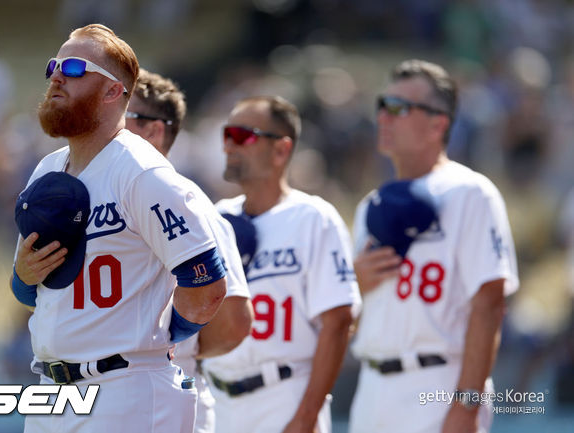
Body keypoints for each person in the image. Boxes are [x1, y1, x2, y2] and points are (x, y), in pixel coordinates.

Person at [10, 24, 227, 433]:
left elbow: (207, 287)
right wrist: (21, 277)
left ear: (114, 92)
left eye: (74, 68)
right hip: (50, 392)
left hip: (126, 389)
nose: (56, 75)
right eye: (53, 65)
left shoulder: (143, 175)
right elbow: (28, 291)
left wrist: (157, 340)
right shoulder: (47, 170)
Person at [348, 59, 519, 433]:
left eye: (398, 108)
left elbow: (489, 303)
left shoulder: (470, 192)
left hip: (438, 384)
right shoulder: (369, 206)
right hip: (372, 387)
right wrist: (353, 284)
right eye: (382, 106)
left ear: (438, 123)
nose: (384, 118)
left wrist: (467, 406)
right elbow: (348, 316)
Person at [203, 95, 360, 433]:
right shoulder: (216, 218)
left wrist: (306, 417)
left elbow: (338, 321)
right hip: (218, 400)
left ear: (281, 150)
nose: (229, 145)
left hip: (284, 394)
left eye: (243, 135)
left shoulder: (314, 218)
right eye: (226, 134)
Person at [125, 67, 254, 433]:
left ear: (153, 130)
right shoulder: (97, 195)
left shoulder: (191, 205)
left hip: (164, 399)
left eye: (123, 117)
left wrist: (171, 346)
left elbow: (232, 323)